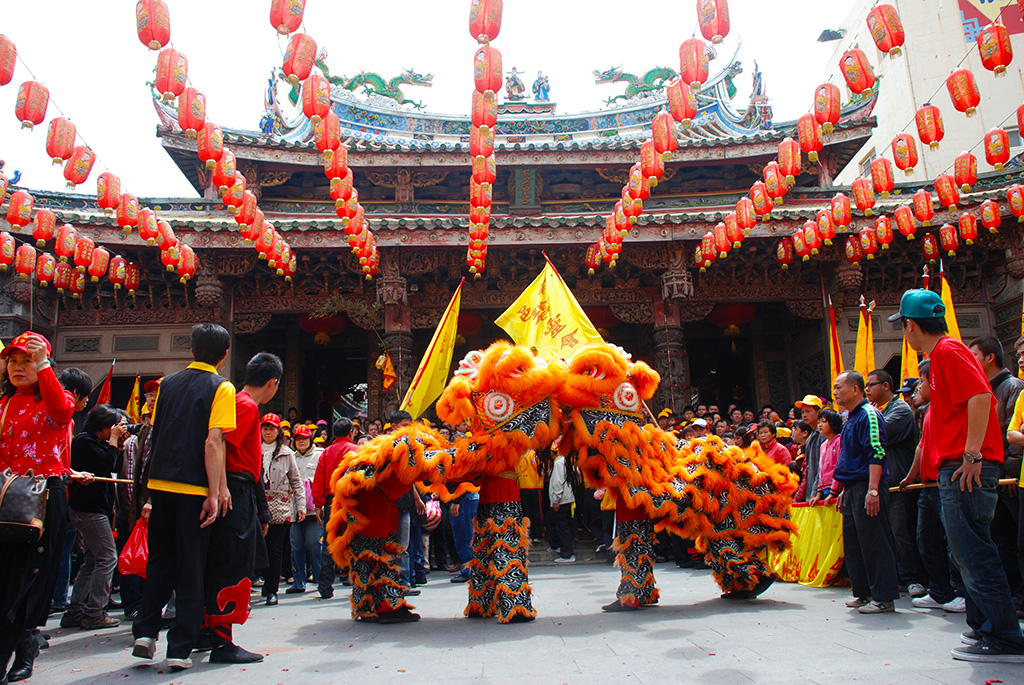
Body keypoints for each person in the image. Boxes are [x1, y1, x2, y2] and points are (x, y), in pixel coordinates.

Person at [893, 288, 1024, 662]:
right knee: (967, 553)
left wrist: (972, 454)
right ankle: (984, 627)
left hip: (965, 468)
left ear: (911, 325)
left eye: (903, 325)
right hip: (955, 468)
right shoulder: (940, 355)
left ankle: (1004, 636)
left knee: (974, 554)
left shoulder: (949, 351)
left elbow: (981, 398)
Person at [132, 323, 235, 672]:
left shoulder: (167, 384)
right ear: (224, 354)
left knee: (160, 562)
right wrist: (215, 491)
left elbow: (157, 433)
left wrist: (148, 491)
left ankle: (145, 633)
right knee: (191, 568)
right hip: (193, 488)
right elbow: (213, 442)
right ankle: (179, 647)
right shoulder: (221, 386)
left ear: (191, 350)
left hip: (160, 483)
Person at [0, 332, 95, 683]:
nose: (18, 367)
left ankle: (15, 650)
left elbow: (62, 411)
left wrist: (42, 364)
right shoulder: (4, 403)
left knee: (31, 576)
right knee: (6, 577)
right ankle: (24, 644)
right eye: (13, 361)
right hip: (6, 495)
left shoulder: (58, 398)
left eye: (26, 361)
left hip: (41, 495)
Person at [198, 351, 282, 664]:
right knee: (231, 564)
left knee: (221, 561)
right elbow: (221, 446)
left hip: (235, 488)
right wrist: (221, 489)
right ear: (273, 383)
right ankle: (222, 642)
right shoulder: (245, 406)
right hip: (234, 489)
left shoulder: (238, 403)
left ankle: (206, 632)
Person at [899, 359, 966, 614]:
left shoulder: (950, 407)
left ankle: (962, 592)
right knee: (926, 539)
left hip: (946, 483)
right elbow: (921, 446)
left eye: (923, 381)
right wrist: (910, 477)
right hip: (927, 485)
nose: (918, 388)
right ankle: (939, 591)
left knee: (954, 540)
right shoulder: (927, 411)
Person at [832, 370, 899, 615]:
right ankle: (864, 593)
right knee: (855, 544)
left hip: (868, 486)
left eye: (839, 387)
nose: (835, 392)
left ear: (855, 389)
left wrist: (873, 490)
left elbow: (876, 452)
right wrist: (844, 490)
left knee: (874, 541)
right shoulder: (850, 418)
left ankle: (883, 597)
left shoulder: (869, 414)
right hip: (853, 488)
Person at [63, 405, 128, 630]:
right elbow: (106, 464)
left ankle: (76, 611)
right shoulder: (84, 441)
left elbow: (114, 464)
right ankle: (95, 612)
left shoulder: (98, 442)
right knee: (107, 558)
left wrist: (117, 443)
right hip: (88, 509)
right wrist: (114, 440)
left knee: (92, 561)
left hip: (95, 509)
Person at [969, 336, 1024, 600]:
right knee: (1001, 538)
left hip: (1008, 477)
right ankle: (1012, 591)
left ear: (990, 357)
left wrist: (1011, 472)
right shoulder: (983, 389)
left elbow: (1010, 436)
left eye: (975, 355)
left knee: (1014, 538)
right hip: (994, 475)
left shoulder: (1012, 387)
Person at [865, 368, 927, 599]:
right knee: (888, 534)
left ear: (885, 386)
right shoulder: (877, 410)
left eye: (871, 385)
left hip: (899, 482)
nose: (867, 390)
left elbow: (875, 437)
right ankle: (898, 576)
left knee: (903, 533)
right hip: (882, 484)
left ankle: (913, 578)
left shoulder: (900, 410)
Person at [50, 367, 93, 615]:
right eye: (85, 397)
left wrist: (73, 473)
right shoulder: (62, 410)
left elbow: (57, 460)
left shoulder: (68, 421)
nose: (86, 402)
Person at [259, 413, 305, 606]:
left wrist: (301, 505)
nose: (268, 432)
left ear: (278, 431)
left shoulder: (286, 453)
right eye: (265, 428)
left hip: (279, 504)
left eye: (271, 429)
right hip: (258, 503)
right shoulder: (253, 449)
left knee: (275, 549)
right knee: (258, 547)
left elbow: (296, 481)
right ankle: (264, 579)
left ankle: (272, 589)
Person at [311, 417, 358, 599]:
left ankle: (325, 586)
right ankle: (359, 584)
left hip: (331, 501)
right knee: (356, 542)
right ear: (350, 433)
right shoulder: (356, 451)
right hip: (352, 500)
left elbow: (319, 479)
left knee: (330, 543)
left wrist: (318, 505)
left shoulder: (326, 452)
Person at [288, 424, 322, 595]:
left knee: (314, 543)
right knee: (296, 546)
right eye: (298, 439)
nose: (301, 442)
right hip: (294, 508)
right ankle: (299, 581)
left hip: (314, 509)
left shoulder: (320, 455)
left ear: (310, 439)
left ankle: (320, 577)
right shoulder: (290, 456)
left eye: (304, 439)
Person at [795, 395, 825, 503]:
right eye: (803, 412)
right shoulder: (811, 437)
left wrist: (816, 492)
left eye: (808, 411)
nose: (804, 415)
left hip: (821, 493)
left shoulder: (823, 434)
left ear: (819, 412)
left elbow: (822, 466)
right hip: (812, 492)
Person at [547, 450, 575, 563]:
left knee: (562, 527)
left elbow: (558, 483)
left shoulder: (559, 463)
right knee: (552, 521)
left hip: (562, 500)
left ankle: (567, 554)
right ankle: (557, 546)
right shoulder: (565, 461)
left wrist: (556, 500)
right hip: (565, 499)